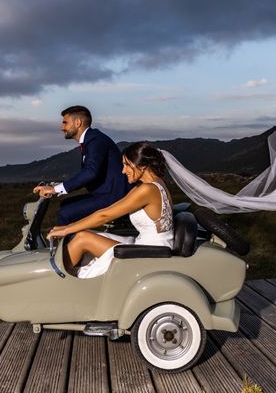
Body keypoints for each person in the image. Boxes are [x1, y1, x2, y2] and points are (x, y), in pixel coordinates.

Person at [47, 142, 173, 278]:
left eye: (126, 165)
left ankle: (53, 277)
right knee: (82, 233)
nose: (123, 171)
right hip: (150, 245)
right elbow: (109, 210)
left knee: (82, 238)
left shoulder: (147, 190)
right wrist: (71, 227)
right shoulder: (155, 184)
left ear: (141, 166)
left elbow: (104, 216)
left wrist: (66, 229)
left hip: (151, 253)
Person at [33, 106, 129, 225]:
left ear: (78, 123)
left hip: (113, 196)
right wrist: (59, 186)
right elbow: (91, 173)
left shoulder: (95, 140)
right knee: (66, 204)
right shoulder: (91, 139)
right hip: (106, 192)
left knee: (65, 214)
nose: (62, 128)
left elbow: (90, 172)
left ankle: (74, 243)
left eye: (65, 123)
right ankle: (78, 239)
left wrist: (54, 189)